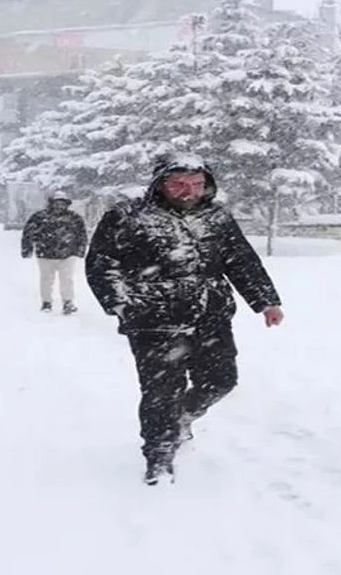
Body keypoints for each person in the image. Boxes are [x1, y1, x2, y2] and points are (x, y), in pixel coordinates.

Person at [85, 153, 284, 485]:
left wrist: (266, 302)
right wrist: (121, 304)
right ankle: (160, 456)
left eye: (195, 184)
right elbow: (102, 264)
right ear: (161, 184)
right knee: (162, 390)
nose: (187, 191)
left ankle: (183, 416)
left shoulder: (217, 218)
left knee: (221, 380)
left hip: (211, 315)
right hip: (154, 318)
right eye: (178, 184)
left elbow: (241, 261)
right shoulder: (128, 216)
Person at [20, 190, 87, 314]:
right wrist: (27, 249)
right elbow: (28, 233)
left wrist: (81, 249)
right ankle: (46, 302)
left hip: (68, 254)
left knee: (67, 279)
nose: (59, 206)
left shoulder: (74, 218)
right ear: (51, 203)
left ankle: (68, 302)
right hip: (45, 254)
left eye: (62, 203)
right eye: (56, 203)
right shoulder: (39, 217)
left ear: (67, 204)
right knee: (46, 279)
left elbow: (82, 234)